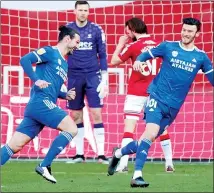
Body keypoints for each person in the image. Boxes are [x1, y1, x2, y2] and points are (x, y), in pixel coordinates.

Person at [108, 17, 214, 188]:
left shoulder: (201, 57)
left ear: (197, 34)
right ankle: (137, 175)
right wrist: (139, 63)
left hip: (174, 108)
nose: (185, 34)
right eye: (184, 30)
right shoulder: (167, 46)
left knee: (145, 140)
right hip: (156, 98)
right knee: (150, 133)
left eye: (190, 31)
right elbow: (143, 55)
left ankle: (119, 153)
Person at [1, 25, 80, 184]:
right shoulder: (50, 52)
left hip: (39, 107)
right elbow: (24, 60)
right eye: (77, 42)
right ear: (67, 39)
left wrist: (65, 95)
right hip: (40, 103)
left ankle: (45, 165)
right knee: (72, 128)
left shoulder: (64, 64)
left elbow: (52, 87)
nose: (78, 46)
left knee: (14, 145)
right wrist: (36, 79)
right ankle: (45, 165)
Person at [110, 17, 174, 173]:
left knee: (129, 129)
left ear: (132, 30)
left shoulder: (133, 46)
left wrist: (120, 44)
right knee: (160, 128)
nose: (126, 33)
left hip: (136, 93)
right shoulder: (160, 45)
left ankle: (123, 164)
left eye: (127, 31)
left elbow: (113, 61)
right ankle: (169, 163)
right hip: (156, 93)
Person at [66, 1, 109, 164]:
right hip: (74, 77)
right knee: (76, 114)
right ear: (75, 11)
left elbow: (103, 55)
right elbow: (61, 52)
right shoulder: (67, 30)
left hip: (92, 76)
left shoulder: (96, 29)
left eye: (86, 10)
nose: (83, 13)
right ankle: (79, 154)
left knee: (96, 113)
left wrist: (104, 78)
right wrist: (62, 76)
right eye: (80, 10)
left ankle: (101, 154)